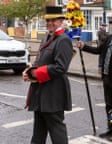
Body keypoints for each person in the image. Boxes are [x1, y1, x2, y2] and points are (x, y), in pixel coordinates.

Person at [76, 13, 112, 142]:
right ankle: (111, 128)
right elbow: (98, 51)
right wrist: (84, 46)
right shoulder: (108, 38)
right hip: (106, 77)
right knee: (109, 105)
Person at [22, 6, 73, 144]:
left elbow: (60, 67)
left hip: (53, 94)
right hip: (40, 92)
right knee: (38, 132)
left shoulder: (63, 40)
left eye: (54, 20)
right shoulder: (47, 38)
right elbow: (40, 61)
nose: (50, 22)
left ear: (61, 21)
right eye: (48, 20)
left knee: (57, 132)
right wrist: (29, 73)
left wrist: (35, 73)